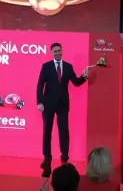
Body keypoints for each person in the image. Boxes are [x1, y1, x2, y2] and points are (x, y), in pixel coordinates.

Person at [37, 42, 88, 171]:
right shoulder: (46, 66)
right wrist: (39, 102)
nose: (58, 53)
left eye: (59, 50)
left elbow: (76, 82)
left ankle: (64, 157)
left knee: (64, 131)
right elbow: (40, 85)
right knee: (47, 132)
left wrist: (84, 76)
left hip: (63, 105)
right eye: (55, 51)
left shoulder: (68, 66)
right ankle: (47, 158)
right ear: (51, 53)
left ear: (62, 51)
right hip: (48, 104)